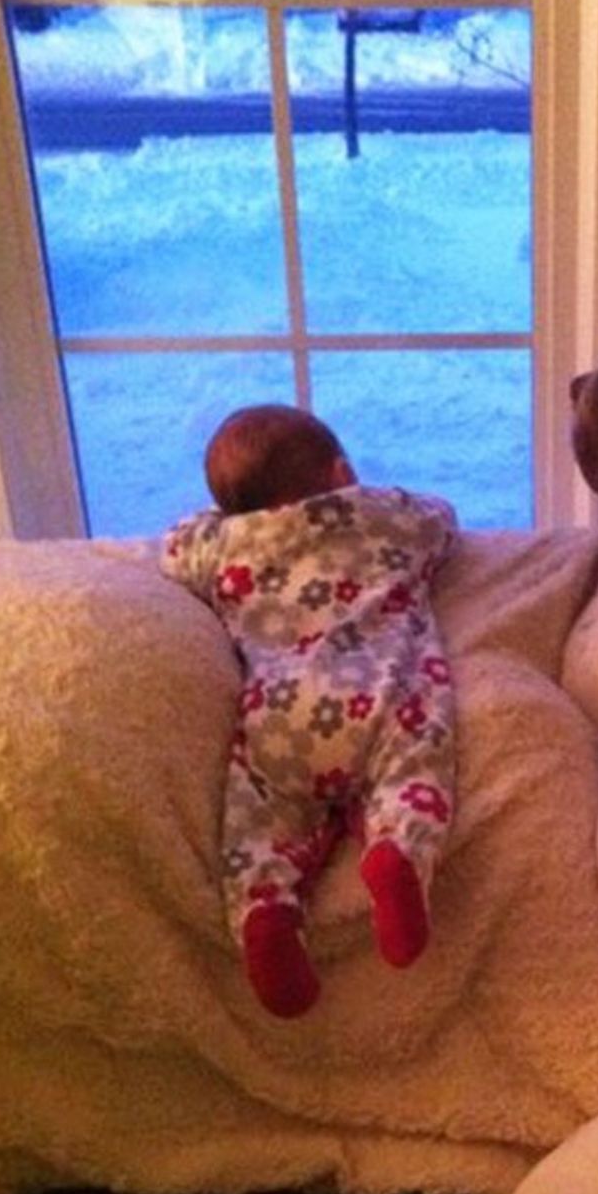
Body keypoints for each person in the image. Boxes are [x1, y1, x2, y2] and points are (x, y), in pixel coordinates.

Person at [161, 403, 457, 1019]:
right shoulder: (383, 515)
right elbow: (443, 521)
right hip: (380, 699)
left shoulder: (223, 543)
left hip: (282, 716)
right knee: (415, 772)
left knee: (256, 821)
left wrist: (224, 524)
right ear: (341, 470)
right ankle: (398, 853)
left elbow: (172, 550)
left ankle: (266, 910)